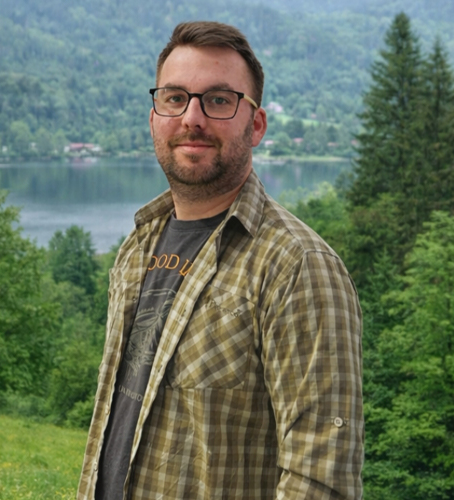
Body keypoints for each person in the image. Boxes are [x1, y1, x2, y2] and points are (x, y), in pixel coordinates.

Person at [78, 21, 363, 500]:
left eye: (218, 100)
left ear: (256, 125)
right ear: (154, 117)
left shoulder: (297, 266)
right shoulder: (137, 247)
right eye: (174, 98)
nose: (192, 118)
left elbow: (321, 479)